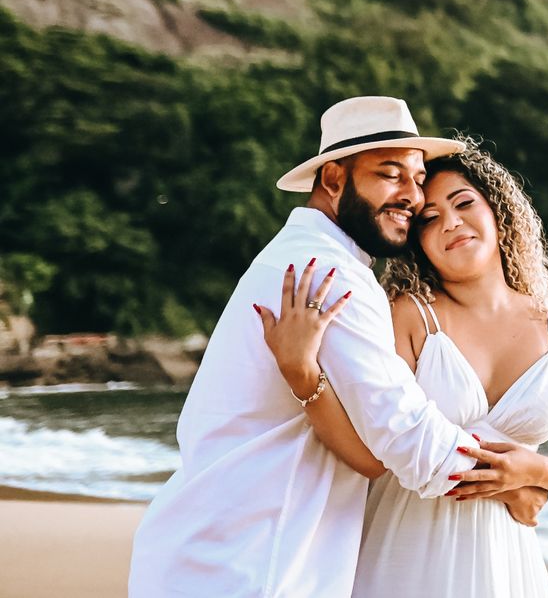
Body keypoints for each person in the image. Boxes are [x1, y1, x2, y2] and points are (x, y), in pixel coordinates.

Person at [128, 95, 497, 597]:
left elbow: (371, 453)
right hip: (250, 565)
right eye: (391, 174)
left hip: (226, 552)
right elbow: (407, 434)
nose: (412, 196)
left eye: (417, 178)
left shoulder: (303, 256)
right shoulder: (327, 273)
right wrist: (516, 479)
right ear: (334, 180)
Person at [258, 141, 548, 598]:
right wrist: (303, 374)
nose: (451, 223)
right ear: (418, 242)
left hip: (508, 564)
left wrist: (535, 471)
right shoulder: (407, 318)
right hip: (406, 552)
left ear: (498, 211)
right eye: (429, 218)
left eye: (464, 204)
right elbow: (370, 455)